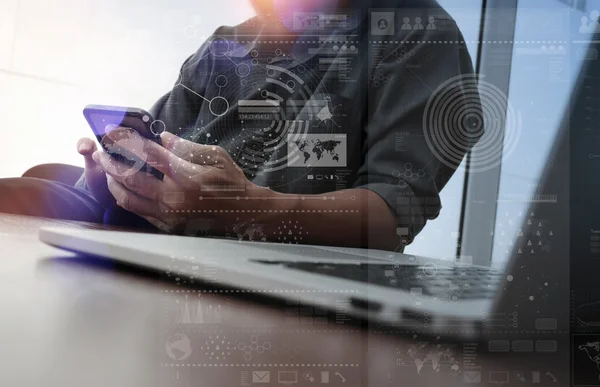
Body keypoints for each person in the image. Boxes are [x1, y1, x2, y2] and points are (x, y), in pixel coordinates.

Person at [0, 0, 480, 251]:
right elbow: (160, 155)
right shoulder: (222, 48)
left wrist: (249, 207)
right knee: (38, 184)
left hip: (292, 289)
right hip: (162, 254)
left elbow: (390, 217)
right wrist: (118, 177)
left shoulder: (416, 33)